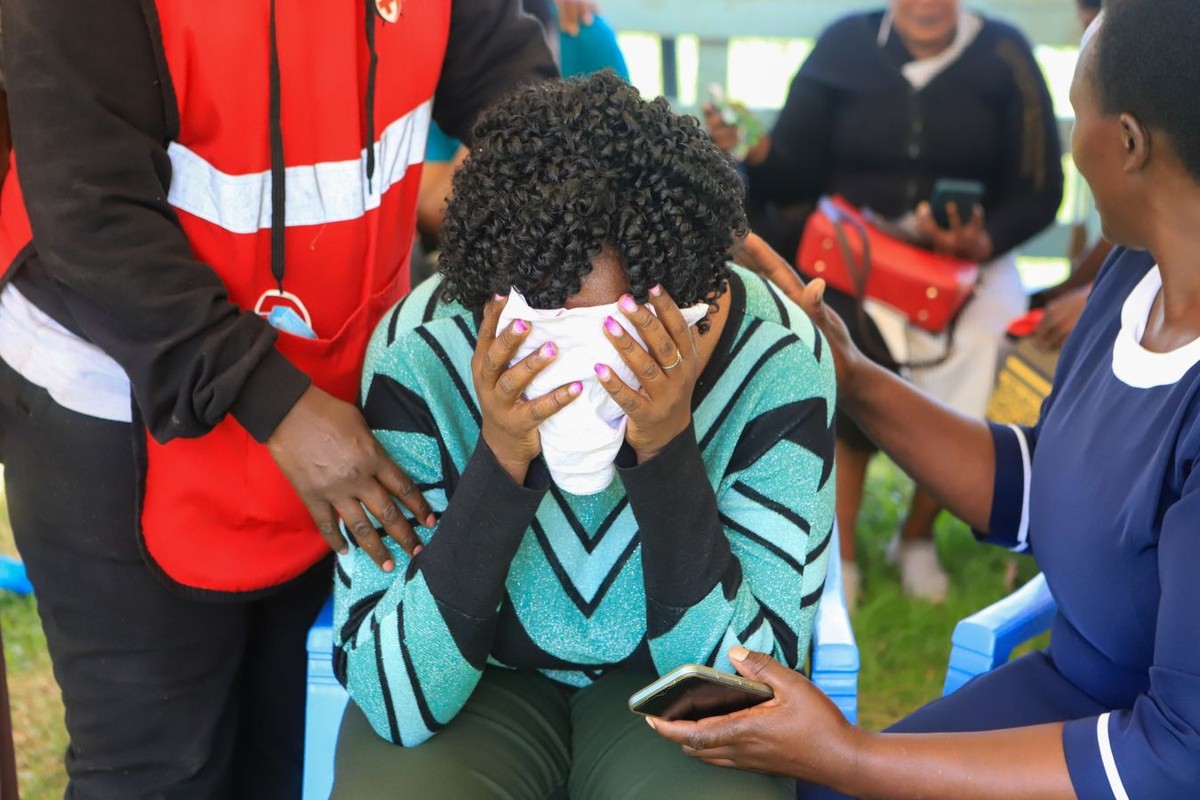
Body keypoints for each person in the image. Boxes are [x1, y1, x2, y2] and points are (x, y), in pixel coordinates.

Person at [0, 1, 555, 796]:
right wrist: (277, 403)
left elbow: (515, 90)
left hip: (333, 394)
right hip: (117, 397)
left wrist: (651, 204)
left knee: (290, 754)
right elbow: (91, 208)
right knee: (159, 771)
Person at [650, 3, 1200, 797]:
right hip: (1076, 699)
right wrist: (848, 369)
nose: (1074, 148)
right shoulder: (1132, 279)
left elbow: (1175, 759)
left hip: (1133, 754)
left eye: (1077, 113)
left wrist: (850, 754)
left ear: (1127, 142)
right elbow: (1044, 487)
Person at [330, 71, 835, 798]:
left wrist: (665, 451)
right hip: (476, 685)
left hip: (675, 691)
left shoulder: (778, 359)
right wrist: (502, 459)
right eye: (543, 320)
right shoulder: (424, 347)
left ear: (693, 289)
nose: (583, 365)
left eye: (621, 329)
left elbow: (749, 697)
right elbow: (395, 699)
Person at [709, 0, 1063, 604]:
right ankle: (839, 549)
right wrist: (760, 155)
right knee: (837, 343)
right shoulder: (843, 45)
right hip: (856, 257)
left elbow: (1040, 187)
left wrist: (984, 240)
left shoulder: (1006, 56)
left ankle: (917, 536)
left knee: (991, 347)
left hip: (970, 263)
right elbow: (794, 175)